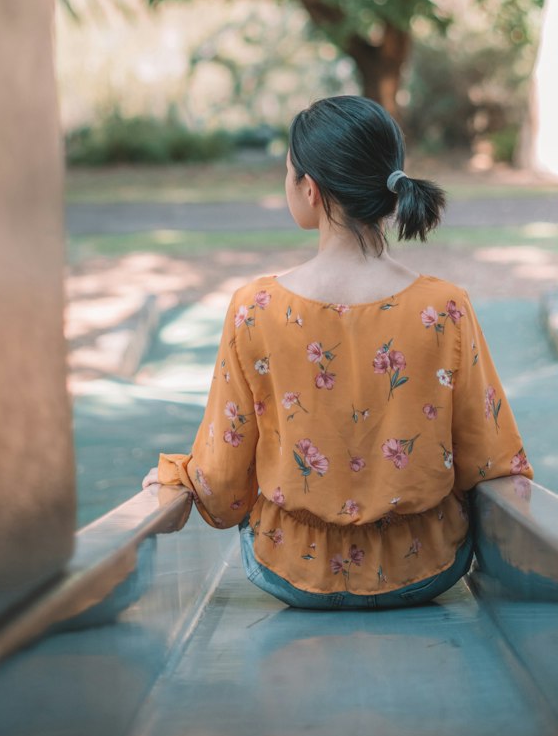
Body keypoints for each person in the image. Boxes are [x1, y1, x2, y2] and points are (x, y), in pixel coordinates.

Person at [143, 95, 532, 609]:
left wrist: (171, 480)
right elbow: (490, 459)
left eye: (287, 173)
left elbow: (221, 485)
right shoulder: (444, 307)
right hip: (426, 567)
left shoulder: (256, 308)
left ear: (310, 188)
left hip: (287, 570)